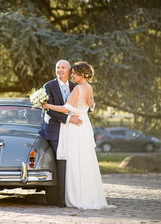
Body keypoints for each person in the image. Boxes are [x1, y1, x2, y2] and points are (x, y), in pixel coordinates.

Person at [43, 62, 115, 210]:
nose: (71, 75)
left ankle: (76, 197)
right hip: (82, 126)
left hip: (75, 127)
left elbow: (66, 108)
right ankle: (86, 195)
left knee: (75, 161)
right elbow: (88, 105)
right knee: (84, 160)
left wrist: (46, 105)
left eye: (73, 73)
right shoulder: (89, 86)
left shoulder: (76, 88)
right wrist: (92, 106)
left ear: (81, 74)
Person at [41, 60, 83, 207]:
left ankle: (73, 196)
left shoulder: (75, 86)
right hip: (54, 131)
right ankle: (61, 200)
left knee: (72, 163)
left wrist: (91, 104)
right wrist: (68, 119)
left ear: (69, 70)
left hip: (71, 132)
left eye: (63, 68)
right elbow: (49, 110)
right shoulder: (48, 86)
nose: (60, 70)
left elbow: (83, 106)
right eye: (57, 67)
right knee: (61, 163)